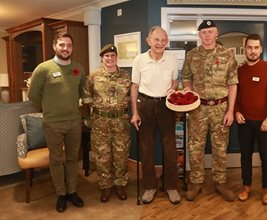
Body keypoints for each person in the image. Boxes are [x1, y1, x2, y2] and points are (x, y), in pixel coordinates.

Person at [28, 32, 86, 213]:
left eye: (69, 45)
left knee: (72, 158)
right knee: (55, 160)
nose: (65, 48)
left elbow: (80, 92)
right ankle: (61, 194)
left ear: (72, 48)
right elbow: (33, 95)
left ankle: (72, 191)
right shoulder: (43, 68)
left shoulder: (78, 68)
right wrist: (47, 109)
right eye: (62, 45)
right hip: (52, 123)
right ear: (54, 46)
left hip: (74, 122)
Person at [182, 20, 238, 202]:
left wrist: (230, 111)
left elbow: (233, 83)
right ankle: (196, 182)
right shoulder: (191, 55)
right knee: (195, 146)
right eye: (204, 32)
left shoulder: (227, 54)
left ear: (216, 33)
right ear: (199, 35)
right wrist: (189, 93)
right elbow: (186, 78)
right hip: (198, 108)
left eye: (210, 31)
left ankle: (220, 182)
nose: (207, 35)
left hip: (221, 108)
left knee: (220, 147)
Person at [130, 26, 181, 205]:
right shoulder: (139, 60)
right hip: (145, 105)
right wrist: (135, 112)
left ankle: (171, 187)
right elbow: (134, 86)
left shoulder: (172, 59)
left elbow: (175, 81)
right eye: (157, 40)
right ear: (149, 40)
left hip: (166, 105)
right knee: (146, 148)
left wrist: (173, 88)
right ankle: (150, 187)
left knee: (169, 147)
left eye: (164, 40)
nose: (160, 44)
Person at [234, 33, 267, 205]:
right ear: (245, 49)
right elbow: (234, 94)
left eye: (256, 48)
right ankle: (246, 186)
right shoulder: (239, 71)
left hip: (264, 122)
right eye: (249, 47)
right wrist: (236, 111)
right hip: (244, 121)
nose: (253, 51)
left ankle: (266, 189)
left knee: (265, 156)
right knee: (245, 155)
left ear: (261, 49)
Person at [82, 44, 131, 203]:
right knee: (102, 156)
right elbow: (86, 97)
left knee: (121, 154)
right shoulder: (93, 76)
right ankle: (106, 186)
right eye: (106, 56)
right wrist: (95, 114)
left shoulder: (125, 76)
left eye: (113, 55)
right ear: (102, 58)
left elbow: (132, 96)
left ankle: (120, 184)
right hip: (100, 122)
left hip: (120, 121)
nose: (110, 59)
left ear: (117, 57)